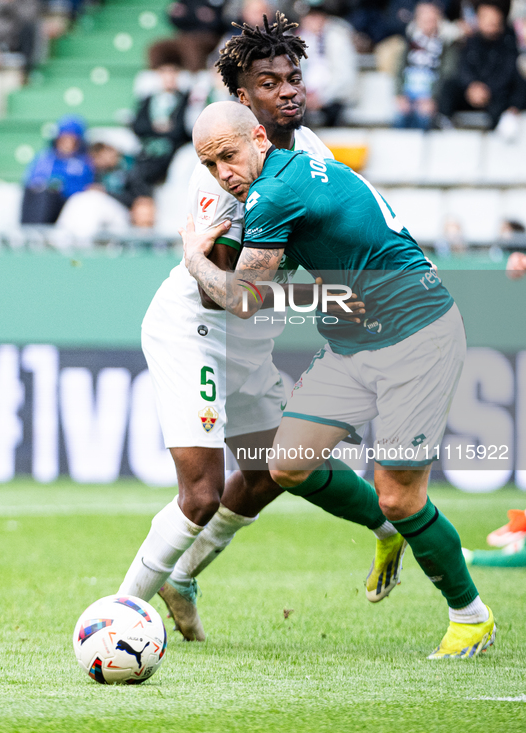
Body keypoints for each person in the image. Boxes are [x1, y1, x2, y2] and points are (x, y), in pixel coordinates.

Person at [117, 13, 404, 643]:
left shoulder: (316, 157)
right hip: (194, 326)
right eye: (269, 82)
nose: (288, 90)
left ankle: (183, 577)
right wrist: (200, 258)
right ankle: (117, 615)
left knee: (273, 468)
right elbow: (220, 298)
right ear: (243, 100)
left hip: (252, 332)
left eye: (293, 77)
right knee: (200, 494)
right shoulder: (218, 173)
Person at [182, 99, 495, 659]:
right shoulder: (293, 170)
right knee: (287, 466)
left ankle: (469, 615)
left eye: (227, 156)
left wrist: (194, 258)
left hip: (418, 334)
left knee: (400, 497)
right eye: (210, 166)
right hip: (355, 340)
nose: (222, 173)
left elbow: (246, 301)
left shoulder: (274, 193)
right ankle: (387, 529)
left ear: (258, 138)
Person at [438, 2, 524, 130]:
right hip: (470, 94)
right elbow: (462, 68)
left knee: (510, 96)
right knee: (449, 87)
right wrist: (471, 86)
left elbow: (507, 74)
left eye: (493, 17)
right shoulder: (470, 42)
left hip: (495, 95)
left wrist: (486, 90)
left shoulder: (508, 44)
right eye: (485, 16)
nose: (490, 21)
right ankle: (443, 124)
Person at [394, 1, 460, 130]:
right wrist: (399, 95)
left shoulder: (447, 46)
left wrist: (433, 98)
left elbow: (447, 75)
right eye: (424, 19)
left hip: (431, 95)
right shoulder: (409, 44)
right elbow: (399, 71)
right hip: (408, 93)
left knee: (423, 117)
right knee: (400, 116)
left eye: (431, 19)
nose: (428, 23)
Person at [21, 114, 94, 225]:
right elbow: (32, 181)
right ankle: (32, 232)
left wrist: (63, 186)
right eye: (63, 139)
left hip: (69, 205)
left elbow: (86, 186)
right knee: (42, 194)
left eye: (71, 139)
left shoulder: (85, 162)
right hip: (45, 204)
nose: (66, 144)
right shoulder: (45, 158)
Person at [131, 54, 192, 186]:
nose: (169, 77)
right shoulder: (148, 99)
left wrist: (160, 130)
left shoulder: (186, 100)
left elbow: (183, 130)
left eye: (173, 72)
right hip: (149, 152)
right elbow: (138, 126)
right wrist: (159, 128)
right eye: (164, 72)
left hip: (174, 152)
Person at [298, 1, 357, 127]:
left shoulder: (337, 38)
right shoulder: (301, 37)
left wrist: (322, 97)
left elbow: (345, 77)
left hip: (333, 98)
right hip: (304, 97)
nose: (309, 21)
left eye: (314, 17)